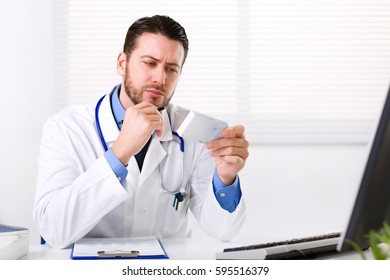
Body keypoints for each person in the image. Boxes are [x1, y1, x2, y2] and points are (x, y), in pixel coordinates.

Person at [33, 15, 249, 249]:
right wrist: (120, 152)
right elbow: (53, 229)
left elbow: (223, 230)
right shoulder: (66, 128)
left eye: (171, 68)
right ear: (122, 64)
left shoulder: (195, 133)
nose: (160, 78)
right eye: (150, 63)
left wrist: (226, 178)